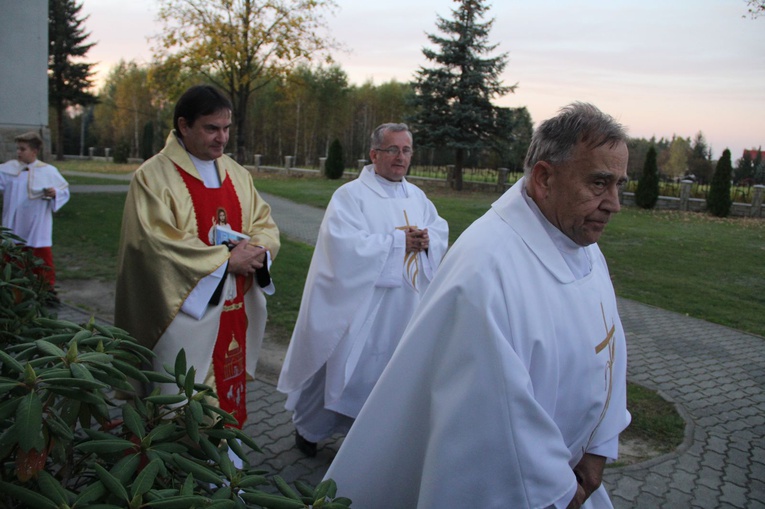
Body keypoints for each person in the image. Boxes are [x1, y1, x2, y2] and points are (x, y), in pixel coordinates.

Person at [324, 103, 632, 508]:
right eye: (599, 183)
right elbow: (497, 418)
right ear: (544, 178)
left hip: (577, 467)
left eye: (619, 185)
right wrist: (559, 488)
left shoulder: (582, 245)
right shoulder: (486, 269)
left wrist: (599, 446)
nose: (614, 203)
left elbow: (610, 348)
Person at [115, 85, 280, 433]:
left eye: (226, 128)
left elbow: (264, 223)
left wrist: (258, 250)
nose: (222, 138)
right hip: (183, 317)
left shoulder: (236, 173)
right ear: (184, 126)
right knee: (182, 404)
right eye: (211, 128)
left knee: (229, 398)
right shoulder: (153, 176)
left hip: (232, 310)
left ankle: (227, 478)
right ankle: (178, 482)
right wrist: (223, 262)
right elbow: (154, 245)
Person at [277, 123, 448, 457]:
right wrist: (399, 242)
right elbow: (342, 246)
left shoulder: (417, 196)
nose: (401, 157)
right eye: (393, 150)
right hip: (360, 304)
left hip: (403, 305)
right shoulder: (350, 196)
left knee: (386, 373)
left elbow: (438, 228)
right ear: (374, 154)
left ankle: (366, 442)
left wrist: (429, 240)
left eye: (407, 150)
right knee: (339, 365)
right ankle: (310, 430)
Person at [0, 131, 70, 295]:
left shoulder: (48, 171)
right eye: (18, 148)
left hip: (37, 224)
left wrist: (54, 193)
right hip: (14, 222)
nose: (18, 152)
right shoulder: (8, 169)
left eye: (22, 149)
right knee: (12, 259)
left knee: (41, 259)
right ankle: (13, 293)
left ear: (34, 151)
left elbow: (64, 191)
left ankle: (47, 292)